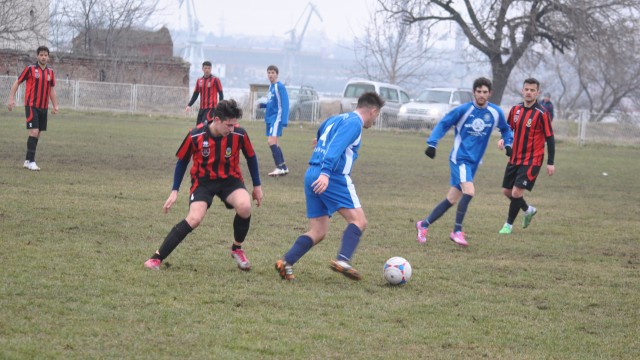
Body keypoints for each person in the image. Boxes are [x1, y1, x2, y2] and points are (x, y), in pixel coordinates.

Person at [274, 92, 385, 281]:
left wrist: (319, 144)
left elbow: (322, 132)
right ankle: (343, 260)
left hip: (312, 173)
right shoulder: (355, 123)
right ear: (373, 111)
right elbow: (335, 149)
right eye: (377, 116)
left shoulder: (337, 118)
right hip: (331, 176)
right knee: (359, 221)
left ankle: (286, 261)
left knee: (318, 231)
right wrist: (326, 173)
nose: (375, 120)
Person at [144, 99, 263, 271]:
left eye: (234, 124)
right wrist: (174, 190)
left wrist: (257, 186)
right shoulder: (195, 135)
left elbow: (251, 157)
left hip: (230, 180)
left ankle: (237, 248)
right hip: (203, 182)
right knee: (194, 218)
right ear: (216, 120)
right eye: (228, 125)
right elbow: (182, 161)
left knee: (245, 207)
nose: (232, 129)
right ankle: (156, 258)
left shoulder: (239, 134)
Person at [416, 77, 513, 247]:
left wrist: (508, 143)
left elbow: (506, 129)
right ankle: (457, 231)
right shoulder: (464, 110)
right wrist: (432, 143)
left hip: (474, 162)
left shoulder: (495, 112)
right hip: (460, 159)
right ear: (474, 92)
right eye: (478, 91)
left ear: (489, 93)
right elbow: (444, 123)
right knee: (469, 191)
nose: (482, 95)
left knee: (452, 199)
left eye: (485, 92)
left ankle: (423, 225)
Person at [498, 78, 555, 234]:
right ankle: (527, 209)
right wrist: (503, 139)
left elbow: (550, 138)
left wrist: (550, 162)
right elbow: (508, 130)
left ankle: (508, 225)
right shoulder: (515, 110)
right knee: (506, 191)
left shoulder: (542, 113)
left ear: (538, 93)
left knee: (516, 192)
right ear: (522, 91)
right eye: (527, 89)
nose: (529, 92)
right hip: (515, 157)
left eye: (532, 90)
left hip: (532, 159)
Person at [7, 45, 59, 171]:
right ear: (37, 56)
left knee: (38, 134)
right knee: (34, 132)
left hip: (43, 107)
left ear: (48, 57)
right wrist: (11, 98)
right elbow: (17, 82)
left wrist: (55, 105)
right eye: (41, 55)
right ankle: (31, 161)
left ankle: (27, 160)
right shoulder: (30, 69)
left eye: (46, 55)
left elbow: (51, 90)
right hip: (31, 106)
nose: (43, 57)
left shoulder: (50, 73)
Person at [263, 65, 290, 177]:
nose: (270, 74)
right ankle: (283, 167)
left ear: (277, 74)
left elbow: (285, 103)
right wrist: (263, 105)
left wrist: (284, 120)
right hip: (270, 119)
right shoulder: (271, 87)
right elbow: (272, 103)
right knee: (275, 142)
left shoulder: (279, 87)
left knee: (271, 141)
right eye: (269, 72)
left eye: (273, 72)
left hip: (276, 119)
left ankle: (279, 167)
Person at [186, 61, 224, 126]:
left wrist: (220, 106)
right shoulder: (199, 80)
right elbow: (195, 94)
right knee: (198, 127)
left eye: (209, 68)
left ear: (211, 69)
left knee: (204, 126)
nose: (207, 70)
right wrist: (189, 105)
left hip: (211, 108)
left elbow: (221, 93)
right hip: (202, 108)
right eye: (205, 68)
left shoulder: (215, 80)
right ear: (202, 69)